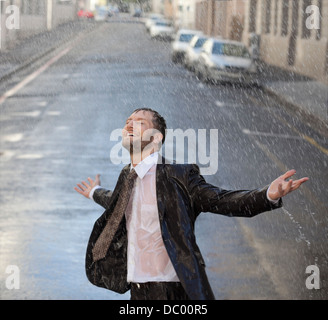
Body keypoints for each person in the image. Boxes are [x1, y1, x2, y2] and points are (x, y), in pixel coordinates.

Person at [74, 108, 308, 300]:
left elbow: (221, 200)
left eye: (140, 122)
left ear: (157, 138)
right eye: (127, 121)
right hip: (137, 289)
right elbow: (117, 202)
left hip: (172, 288)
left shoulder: (179, 175)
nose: (129, 124)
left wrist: (268, 194)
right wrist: (94, 191)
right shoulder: (127, 176)